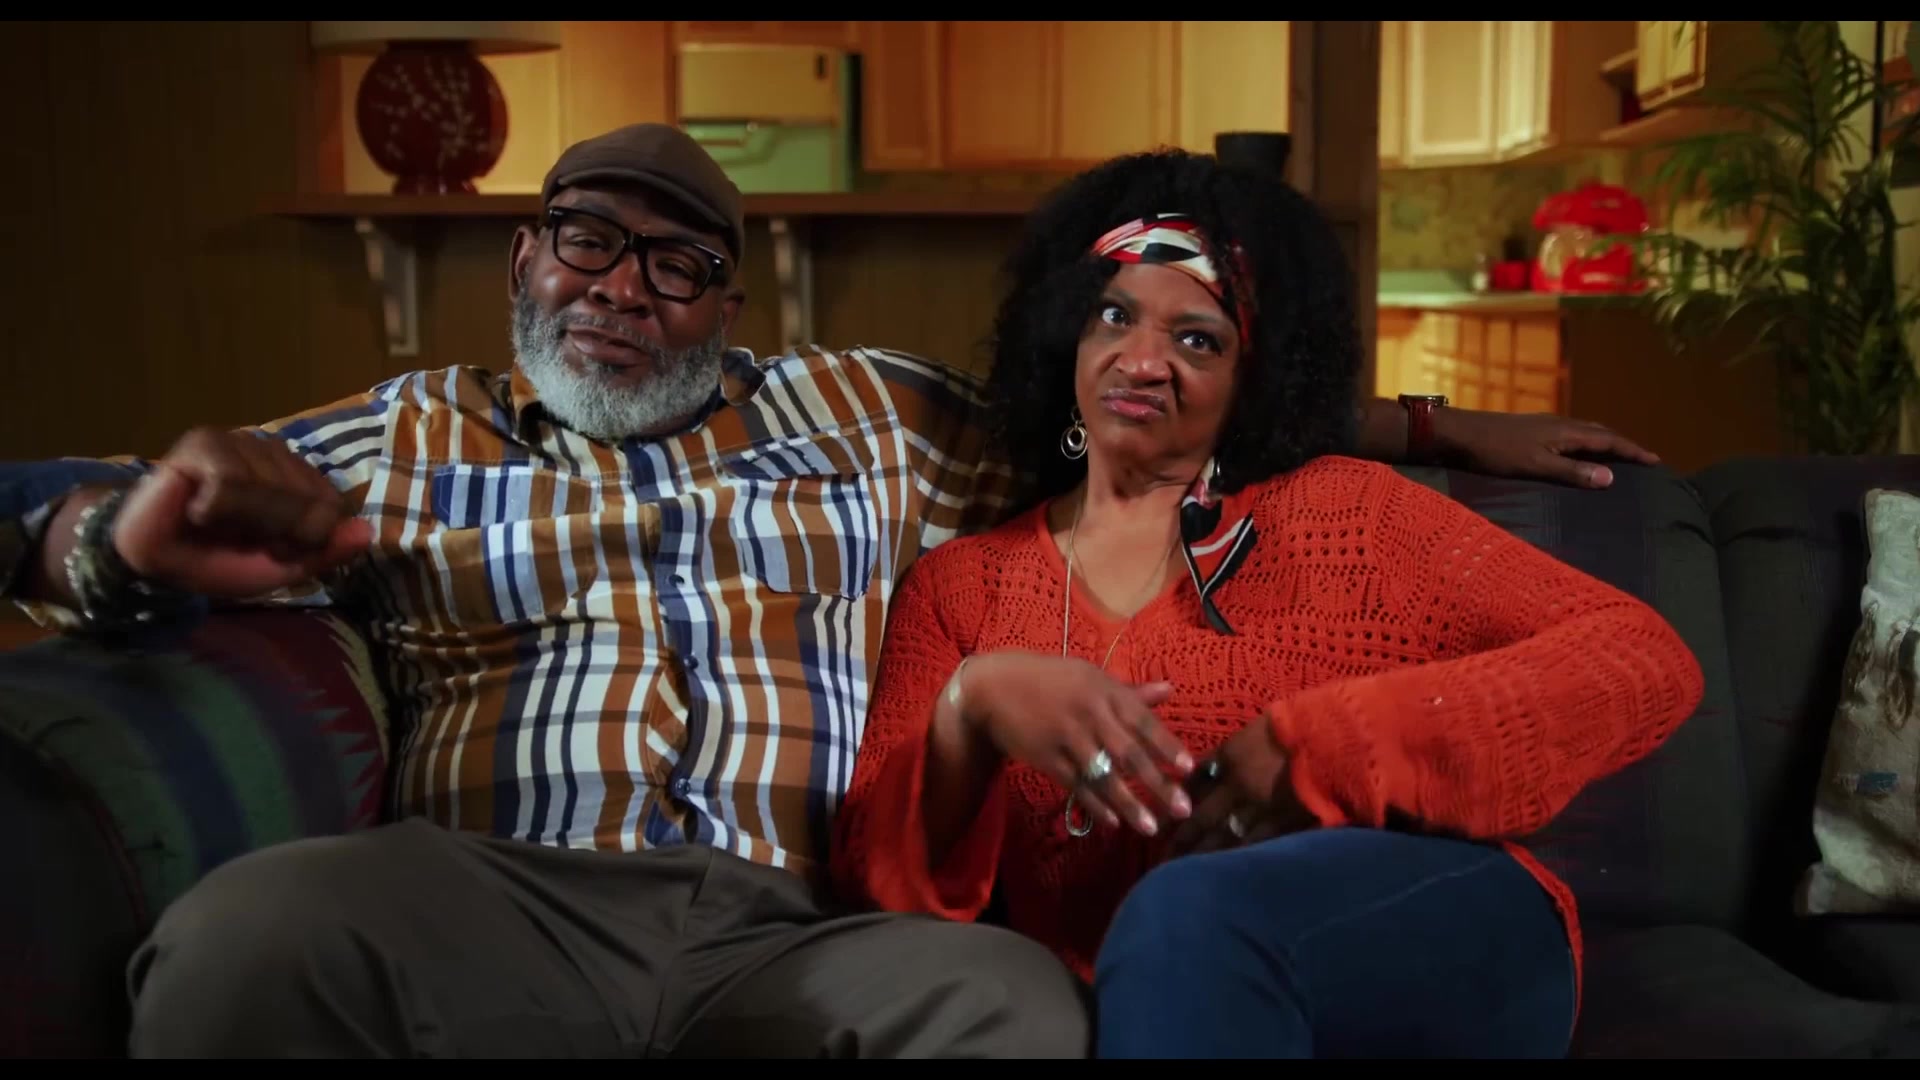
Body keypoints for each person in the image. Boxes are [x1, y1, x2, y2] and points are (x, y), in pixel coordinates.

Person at [0, 124, 1658, 1059]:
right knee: (246, 940)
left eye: (680, 262)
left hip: (794, 930)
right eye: (588, 240)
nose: (624, 289)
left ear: (731, 303)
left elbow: (1163, 397)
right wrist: (110, 541)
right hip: (495, 890)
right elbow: (103, 505)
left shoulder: (864, 416)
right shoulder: (405, 434)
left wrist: (1436, 422)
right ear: (523, 257)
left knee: (1009, 1008)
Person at [827, 149, 1706, 1059]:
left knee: (1185, 910)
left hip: (1437, 935)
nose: (1142, 361)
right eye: (1114, 316)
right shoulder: (962, 586)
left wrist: (1322, 748)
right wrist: (970, 708)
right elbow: (870, 885)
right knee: (1172, 932)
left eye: (1198, 340)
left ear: (1256, 375)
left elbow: (1640, 657)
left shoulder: (1348, 515)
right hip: (1173, 995)